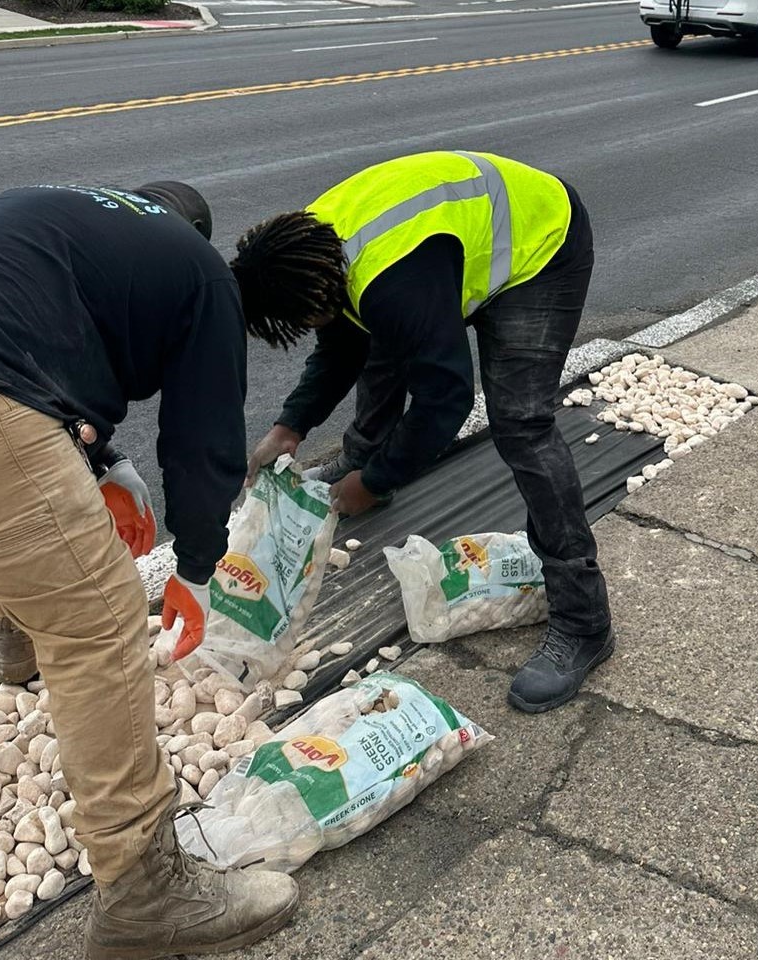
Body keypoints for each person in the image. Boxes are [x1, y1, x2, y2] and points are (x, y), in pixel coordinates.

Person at [0, 182, 297, 960]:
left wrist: (103, 461)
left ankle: (16, 643)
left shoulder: (60, 219)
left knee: (16, 525)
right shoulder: (203, 277)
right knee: (97, 626)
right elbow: (202, 441)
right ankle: (146, 893)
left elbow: (43, 358)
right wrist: (193, 564)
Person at [237, 150, 613, 714]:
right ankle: (360, 464)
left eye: (302, 320)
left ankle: (585, 620)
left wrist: (377, 477)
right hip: (438, 257)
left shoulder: (389, 280)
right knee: (379, 344)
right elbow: (342, 344)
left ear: (317, 292)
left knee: (521, 422)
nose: (307, 329)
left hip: (540, 245)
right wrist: (290, 427)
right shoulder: (310, 250)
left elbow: (448, 396)